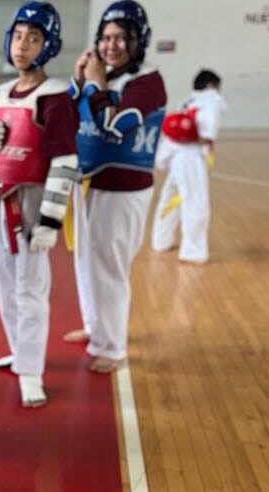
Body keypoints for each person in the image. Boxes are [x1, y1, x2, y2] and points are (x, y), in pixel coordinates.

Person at [0, 2, 79, 407]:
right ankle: (22, 353)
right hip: (0, 203)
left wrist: (52, 218)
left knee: (31, 287)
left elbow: (66, 159)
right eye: (19, 36)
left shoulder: (55, 96)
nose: (23, 45)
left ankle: (33, 372)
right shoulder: (0, 93)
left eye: (33, 38)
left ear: (47, 45)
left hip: (33, 201)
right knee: (4, 282)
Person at [65, 0, 166, 372]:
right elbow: (73, 113)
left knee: (110, 266)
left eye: (122, 38)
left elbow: (115, 123)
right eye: (106, 38)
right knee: (86, 263)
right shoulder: (106, 77)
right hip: (91, 183)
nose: (112, 45)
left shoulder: (148, 81)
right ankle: (97, 328)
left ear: (139, 41)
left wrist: (93, 82)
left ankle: (113, 345)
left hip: (124, 189)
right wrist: (79, 82)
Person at [151, 69, 226, 264]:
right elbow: (208, 134)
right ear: (211, 85)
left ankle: (161, 240)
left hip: (175, 156)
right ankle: (193, 251)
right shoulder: (212, 101)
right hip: (191, 156)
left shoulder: (188, 101)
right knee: (195, 202)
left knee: (170, 197)